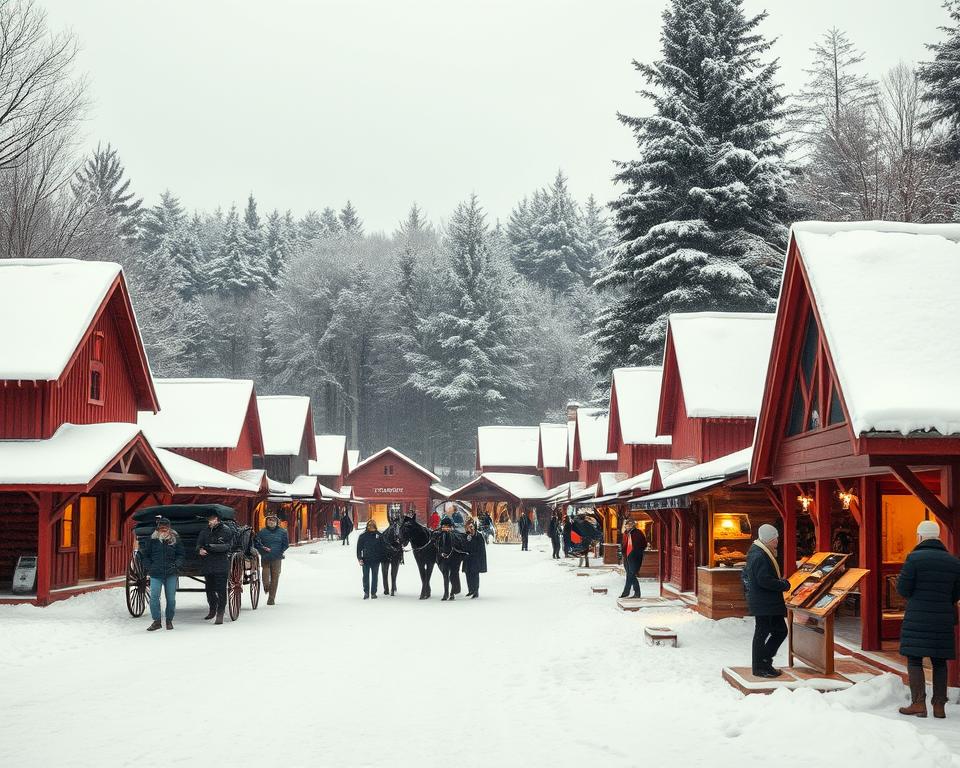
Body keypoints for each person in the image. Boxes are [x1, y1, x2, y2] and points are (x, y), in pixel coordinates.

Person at [896, 520, 960, 719]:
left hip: (918, 617)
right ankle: (939, 706)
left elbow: (903, 589)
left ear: (920, 537)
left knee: (914, 659)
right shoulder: (953, 562)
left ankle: (918, 703)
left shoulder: (914, 559)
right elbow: (956, 593)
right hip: (943, 618)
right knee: (939, 661)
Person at [741, 523, 790, 678]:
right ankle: (760, 666)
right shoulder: (760, 555)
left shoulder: (759, 551)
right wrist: (783, 585)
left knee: (779, 631)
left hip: (766, 602)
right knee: (763, 633)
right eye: (775, 539)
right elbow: (764, 580)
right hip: (764, 603)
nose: (777, 541)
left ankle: (764, 661)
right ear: (768, 539)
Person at [139, 516, 184, 631]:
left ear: (169, 528)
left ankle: (169, 620)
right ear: (158, 528)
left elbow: (181, 554)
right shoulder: (152, 540)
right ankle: (157, 621)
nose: (163, 529)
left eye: (166, 527)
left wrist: (176, 565)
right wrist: (150, 567)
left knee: (171, 599)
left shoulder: (175, 540)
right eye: (161, 527)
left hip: (171, 573)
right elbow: (145, 555)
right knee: (154, 598)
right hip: (156, 574)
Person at [197, 508, 236, 625]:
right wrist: (199, 550)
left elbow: (227, 546)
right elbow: (199, 544)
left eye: (212, 519)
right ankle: (212, 609)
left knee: (221, 590)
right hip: (208, 565)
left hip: (221, 565)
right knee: (209, 590)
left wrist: (210, 547)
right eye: (209, 519)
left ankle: (220, 613)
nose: (210, 521)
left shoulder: (226, 530)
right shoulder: (204, 531)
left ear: (218, 519)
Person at [255, 512, 289, 605]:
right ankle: (266, 586)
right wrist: (262, 550)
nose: (271, 522)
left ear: (277, 522)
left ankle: (271, 599)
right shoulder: (262, 532)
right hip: (265, 557)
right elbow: (257, 543)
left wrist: (280, 551)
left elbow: (286, 544)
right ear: (266, 521)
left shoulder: (282, 532)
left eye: (273, 520)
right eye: (269, 520)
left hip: (277, 558)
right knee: (265, 575)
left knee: (275, 577)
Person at [356, 519, 385, 599]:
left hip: (376, 560)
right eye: (370, 526)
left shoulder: (379, 535)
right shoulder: (363, 536)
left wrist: (382, 558)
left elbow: (382, 548)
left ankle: (373, 593)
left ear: (375, 526)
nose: (371, 527)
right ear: (367, 526)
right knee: (365, 576)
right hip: (365, 560)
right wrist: (360, 558)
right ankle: (366, 592)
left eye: (372, 526)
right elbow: (359, 549)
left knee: (375, 576)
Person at [619, 519, 647, 598]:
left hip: (635, 556)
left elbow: (644, 544)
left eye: (630, 525)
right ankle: (627, 592)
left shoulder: (638, 533)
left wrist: (637, 551)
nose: (628, 526)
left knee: (632, 574)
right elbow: (623, 544)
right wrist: (623, 552)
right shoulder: (625, 533)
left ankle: (635, 592)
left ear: (633, 525)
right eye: (627, 525)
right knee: (629, 574)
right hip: (626, 556)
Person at [463, 519, 488, 598]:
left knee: (475, 575)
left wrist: (478, 558)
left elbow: (481, 549)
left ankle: (476, 591)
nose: (470, 528)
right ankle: (470, 590)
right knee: (468, 574)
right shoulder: (467, 535)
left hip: (475, 559)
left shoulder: (479, 536)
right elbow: (463, 545)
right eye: (469, 527)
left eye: (472, 526)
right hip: (467, 558)